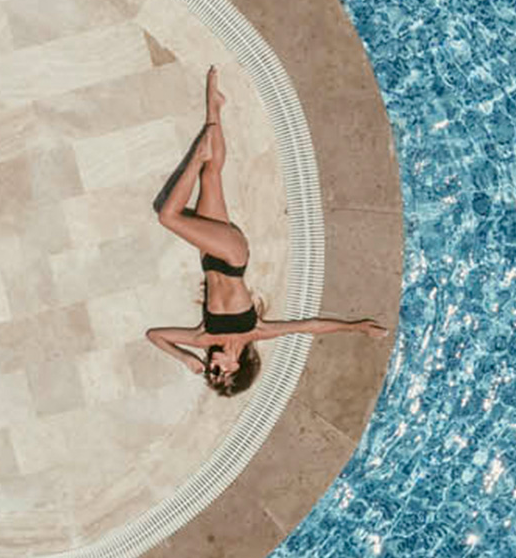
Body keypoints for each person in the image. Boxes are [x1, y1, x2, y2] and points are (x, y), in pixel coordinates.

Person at [145, 67, 386, 396]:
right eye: (219, 373)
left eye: (210, 374)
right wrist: (355, 327)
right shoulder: (253, 331)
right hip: (232, 256)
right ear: (237, 367)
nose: (211, 367)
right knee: (168, 216)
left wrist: (184, 357)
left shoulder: (203, 338)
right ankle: (198, 152)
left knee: (211, 175)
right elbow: (309, 326)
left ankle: (214, 106)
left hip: (210, 257)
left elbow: (154, 336)